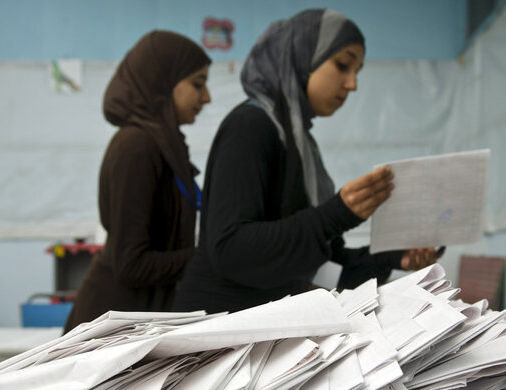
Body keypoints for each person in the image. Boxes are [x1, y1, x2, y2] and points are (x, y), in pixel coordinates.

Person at [173, 9, 439, 314]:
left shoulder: (299, 144)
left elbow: (319, 265)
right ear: (302, 59)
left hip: (259, 326)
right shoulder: (251, 127)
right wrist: (336, 215)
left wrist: (391, 258)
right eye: (342, 65)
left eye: (357, 71)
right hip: (217, 329)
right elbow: (230, 250)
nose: (352, 84)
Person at [63, 31, 211, 333]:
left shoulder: (166, 146)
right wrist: (209, 257)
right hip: (107, 329)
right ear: (163, 81)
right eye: (197, 84)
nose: (206, 97)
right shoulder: (137, 146)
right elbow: (132, 265)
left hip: (137, 320)